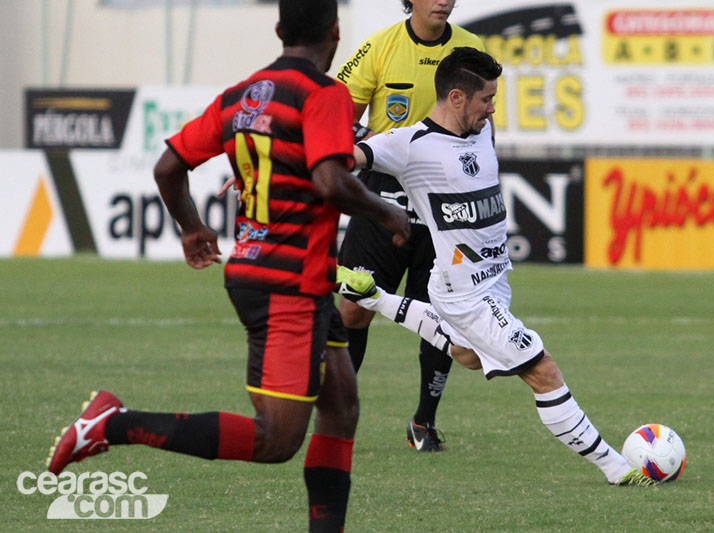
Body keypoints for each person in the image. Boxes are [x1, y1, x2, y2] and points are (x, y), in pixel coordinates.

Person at [45, 1, 411, 531]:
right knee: (276, 440)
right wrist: (386, 213)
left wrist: (192, 228)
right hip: (289, 284)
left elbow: (169, 166)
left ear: (280, 29)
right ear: (335, 31)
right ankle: (115, 424)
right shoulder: (323, 94)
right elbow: (332, 181)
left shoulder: (242, 95)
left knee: (341, 406)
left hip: (269, 273)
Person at [336, 46, 656, 486]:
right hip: (463, 294)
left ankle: (376, 298)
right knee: (542, 369)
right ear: (454, 98)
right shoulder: (407, 146)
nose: (491, 108)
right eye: (485, 99)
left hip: (494, 283)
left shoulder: (482, 133)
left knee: (467, 356)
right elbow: (342, 161)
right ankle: (618, 470)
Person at [336, 0, 486, 452]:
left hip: (445, 199)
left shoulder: (471, 48)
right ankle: (337, 414)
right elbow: (335, 114)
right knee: (353, 307)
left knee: (440, 316)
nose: (443, 0)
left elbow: (484, 130)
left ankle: (423, 423)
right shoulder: (379, 48)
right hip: (383, 194)